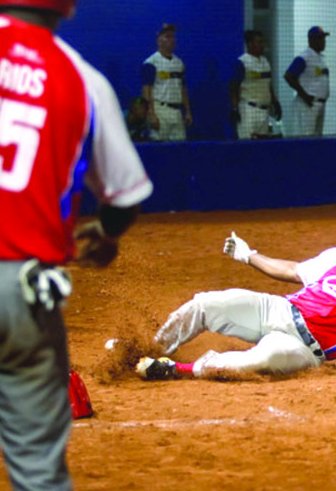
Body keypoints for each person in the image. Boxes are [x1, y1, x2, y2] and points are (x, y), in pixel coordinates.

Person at [0, 1, 153, 488]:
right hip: (21, 284)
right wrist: (105, 236)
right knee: (36, 463)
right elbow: (125, 200)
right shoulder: (81, 78)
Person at [135, 213, 336, 383]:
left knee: (261, 359)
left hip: (305, 348)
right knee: (206, 303)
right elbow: (294, 270)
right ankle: (148, 350)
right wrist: (248, 256)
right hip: (280, 309)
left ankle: (172, 370)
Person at [141, 23, 192, 141]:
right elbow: (146, 90)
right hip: (160, 110)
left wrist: (188, 111)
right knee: (159, 147)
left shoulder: (179, 63)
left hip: (177, 111)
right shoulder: (151, 62)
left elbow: (183, 88)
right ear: (159, 40)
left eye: (173, 37)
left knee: (180, 148)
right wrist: (151, 114)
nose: (172, 40)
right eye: (167, 36)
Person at [229, 29, 281, 139]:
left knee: (262, 146)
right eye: (259, 42)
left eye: (263, 42)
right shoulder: (242, 62)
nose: (262, 45)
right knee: (246, 145)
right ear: (249, 44)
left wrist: (275, 102)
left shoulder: (265, 61)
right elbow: (233, 87)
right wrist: (234, 108)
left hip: (264, 110)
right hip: (248, 109)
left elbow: (268, 84)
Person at [283, 26, 329, 137]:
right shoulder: (304, 57)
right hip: (307, 104)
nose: (323, 42)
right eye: (320, 38)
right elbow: (289, 76)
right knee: (305, 136)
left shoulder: (320, 58)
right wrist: (304, 95)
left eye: (323, 38)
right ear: (311, 40)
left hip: (320, 104)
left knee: (317, 138)